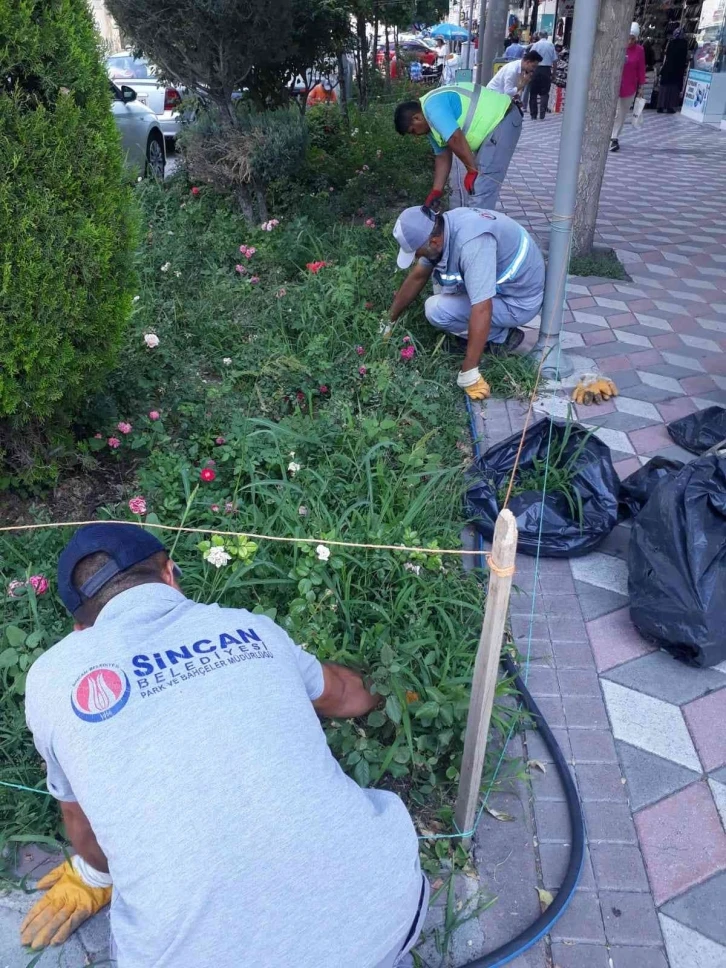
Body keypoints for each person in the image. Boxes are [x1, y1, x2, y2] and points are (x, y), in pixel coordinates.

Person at [20, 524, 428, 967]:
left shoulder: (51, 679)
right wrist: (401, 690)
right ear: (170, 574)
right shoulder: (250, 628)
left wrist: (94, 873)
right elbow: (347, 695)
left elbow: (80, 820)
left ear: (80, 626)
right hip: (385, 917)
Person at [387, 206, 544, 400]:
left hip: (518, 302)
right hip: (503, 288)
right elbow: (418, 276)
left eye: (418, 252)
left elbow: (482, 308)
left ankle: (501, 339)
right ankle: (493, 335)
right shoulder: (442, 228)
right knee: (442, 286)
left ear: (433, 241)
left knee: (437, 310)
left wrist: (469, 373)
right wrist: (388, 322)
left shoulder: (473, 244)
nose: (418, 257)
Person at [394, 83, 522, 211]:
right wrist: (436, 191)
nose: (415, 136)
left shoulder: (432, 108)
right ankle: (475, 224)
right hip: (496, 126)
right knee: (478, 187)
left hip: (502, 120)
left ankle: (478, 229)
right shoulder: (431, 127)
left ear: (417, 118)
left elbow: (455, 138)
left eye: (413, 131)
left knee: (481, 189)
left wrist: (471, 171)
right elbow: (442, 156)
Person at [610, 23, 646, 152]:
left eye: (632, 38)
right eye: (628, 37)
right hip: (612, 85)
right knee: (611, 112)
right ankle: (607, 135)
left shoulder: (639, 50)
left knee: (621, 113)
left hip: (629, 87)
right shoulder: (616, 47)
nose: (630, 41)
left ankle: (614, 138)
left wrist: (641, 86)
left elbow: (641, 69)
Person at [658, 26, 689, 113]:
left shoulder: (671, 42)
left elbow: (667, 54)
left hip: (667, 68)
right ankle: (670, 107)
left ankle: (660, 106)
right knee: (673, 89)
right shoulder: (684, 43)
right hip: (677, 70)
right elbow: (683, 57)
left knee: (664, 88)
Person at [529, 31, 557, 119]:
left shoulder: (535, 45)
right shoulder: (551, 45)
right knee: (544, 93)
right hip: (546, 70)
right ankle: (542, 114)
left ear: (539, 36)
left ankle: (533, 114)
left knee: (533, 93)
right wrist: (554, 73)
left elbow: (530, 58)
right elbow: (555, 60)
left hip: (536, 69)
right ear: (547, 36)